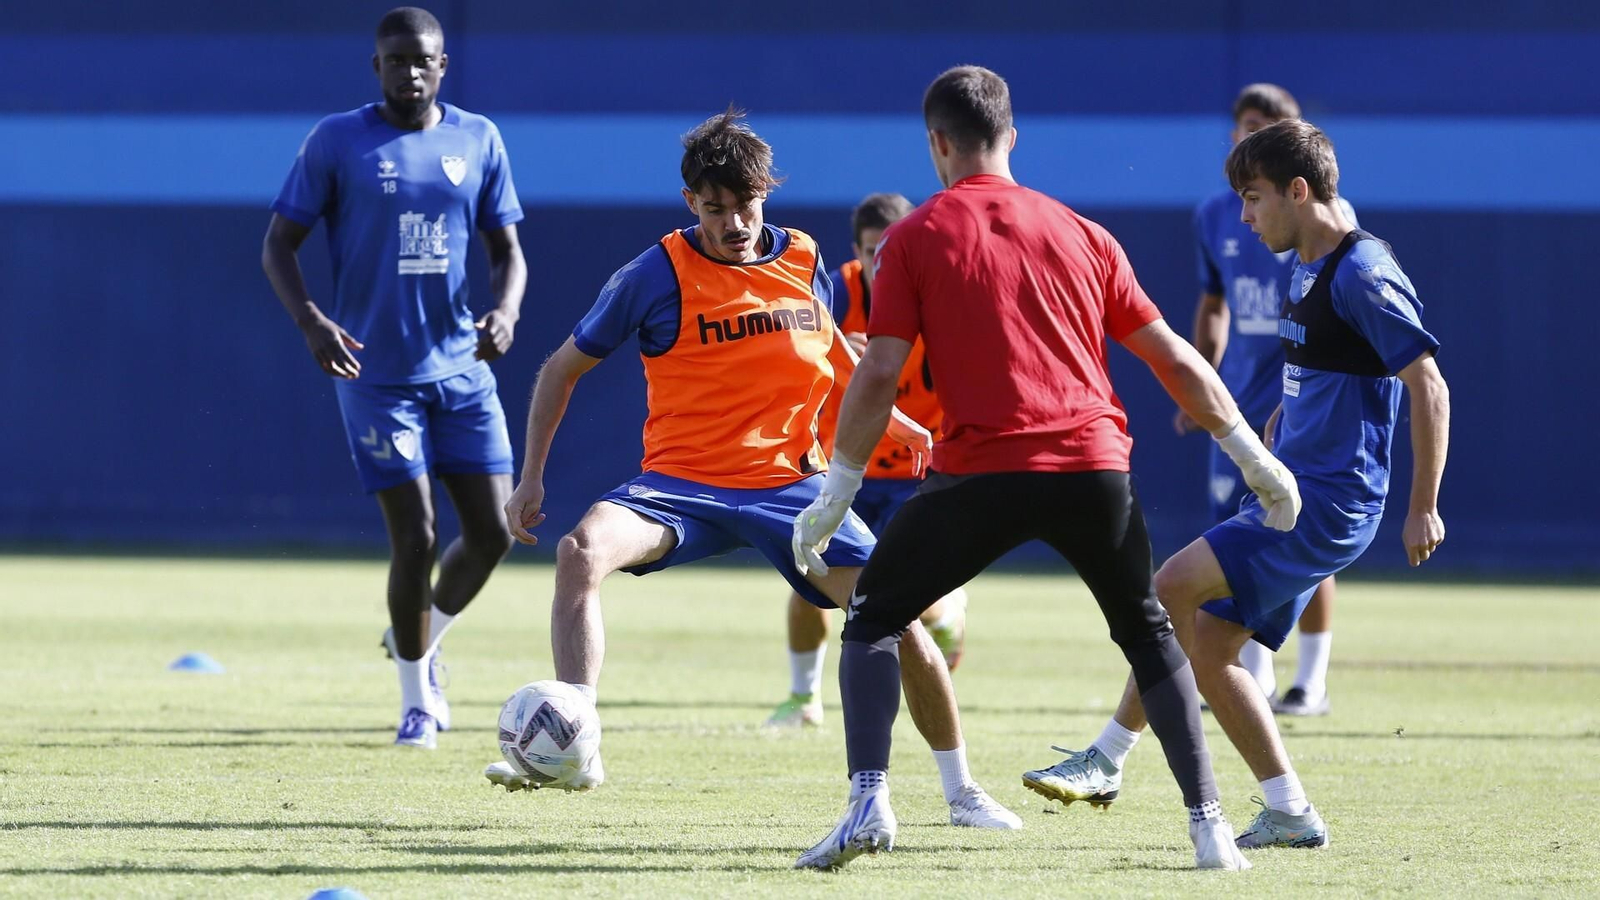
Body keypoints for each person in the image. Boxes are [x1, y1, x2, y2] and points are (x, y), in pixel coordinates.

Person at [792, 66, 1282, 871]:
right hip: (1093, 468)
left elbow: (877, 372)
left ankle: (868, 804)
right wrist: (1251, 455)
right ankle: (1211, 830)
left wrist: (837, 487)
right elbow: (1171, 355)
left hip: (983, 471)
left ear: (938, 145)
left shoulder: (915, 235)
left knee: (875, 615)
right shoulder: (1085, 232)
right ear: (1012, 139)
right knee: (1150, 634)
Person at [484, 108, 1020, 830]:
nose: (734, 222)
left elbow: (832, 351)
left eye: (747, 205)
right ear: (690, 204)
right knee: (581, 551)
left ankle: (962, 793)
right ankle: (579, 742)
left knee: (896, 617)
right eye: (715, 209)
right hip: (678, 486)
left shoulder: (802, 257)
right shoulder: (656, 272)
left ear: (767, 192)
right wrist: (531, 476)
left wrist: (894, 418)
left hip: (790, 488)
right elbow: (560, 368)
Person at [1048, 118, 1449, 852]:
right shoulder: (1308, 261)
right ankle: (1289, 809)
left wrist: (1423, 505)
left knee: (1167, 585)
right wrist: (1282, 418)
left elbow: (1428, 384)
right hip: (1295, 488)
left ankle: (1107, 757)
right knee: (1209, 644)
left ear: (1299, 192)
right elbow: (1327, 368)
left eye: (1254, 198)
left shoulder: (1360, 270)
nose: (1243, 216)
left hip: (1324, 503)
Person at [261, 7, 526, 751]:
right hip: (376, 374)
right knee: (416, 537)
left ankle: (421, 634)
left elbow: (508, 250)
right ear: (374, 67)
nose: (410, 71)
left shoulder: (477, 139)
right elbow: (279, 245)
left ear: (444, 67)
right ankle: (417, 701)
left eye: (425, 60)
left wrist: (504, 310)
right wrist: (312, 320)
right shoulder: (338, 141)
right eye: (396, 59)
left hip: (462, 370)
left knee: (495, 532)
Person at [1180, 84, 1355, 716]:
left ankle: (1310, 679)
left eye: (1264, 127)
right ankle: (1247, 676)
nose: (1251, 214)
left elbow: (1410, 366)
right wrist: (1198, 380)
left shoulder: (1332, 232)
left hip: (1298, 405)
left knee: (1297, 530)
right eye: (1243, 126)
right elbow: (1213, 306)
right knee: (1240, 532)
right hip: (1238, 402)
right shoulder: (1214, 216)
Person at [766, 192, 969, 729]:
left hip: (915, 470)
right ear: (857, 251)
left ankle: (947, 609)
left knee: (903, 600)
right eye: (875, 250)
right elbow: (788, 356)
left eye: (897, 248)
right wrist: (831, 351)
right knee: (808, 577)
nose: (886, 261)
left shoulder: (943, 294)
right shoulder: (833, 293)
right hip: (843, 466)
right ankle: (803, 698)